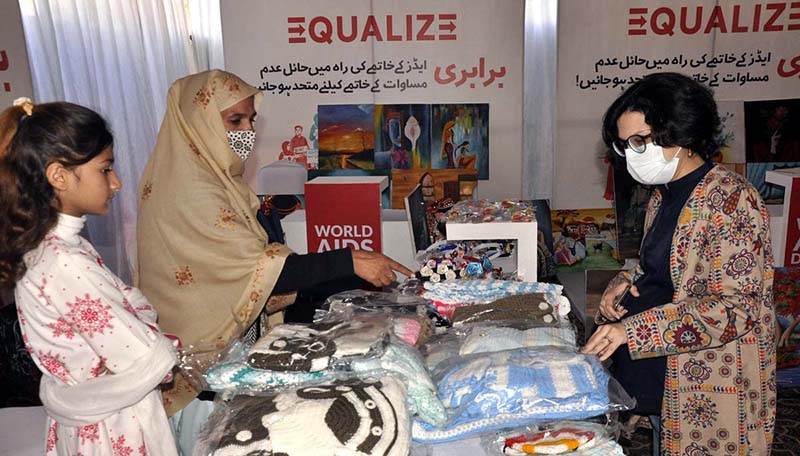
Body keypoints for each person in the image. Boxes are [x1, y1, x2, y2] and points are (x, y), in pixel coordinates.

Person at [135, 70, 412, 419]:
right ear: (197, 122)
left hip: (230, 364)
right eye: (235, 120)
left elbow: (256, 267)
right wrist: (350, 262)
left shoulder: (223, 182)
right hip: (200, 380)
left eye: (251, 120)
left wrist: (348, 281)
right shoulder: (189, 191)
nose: (247, 132)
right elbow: (257, 270)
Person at [582, 72, 776, 455]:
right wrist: (624, 280)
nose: (632, 155)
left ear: (681, 134)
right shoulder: (664, 193)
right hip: (662, 372)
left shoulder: (733, 199)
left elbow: (737, 309)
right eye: (624, 146)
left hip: (712, 384)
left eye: (640, 141)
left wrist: (631, 331)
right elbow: (668, 265)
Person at [0, 99, 178, 455]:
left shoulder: (56, 247)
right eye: (105, 169)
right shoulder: (64, 261)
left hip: (94, 420)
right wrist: (163, 347)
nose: (116, 183)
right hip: (110, 431)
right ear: (59, 176)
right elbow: (141, 356)